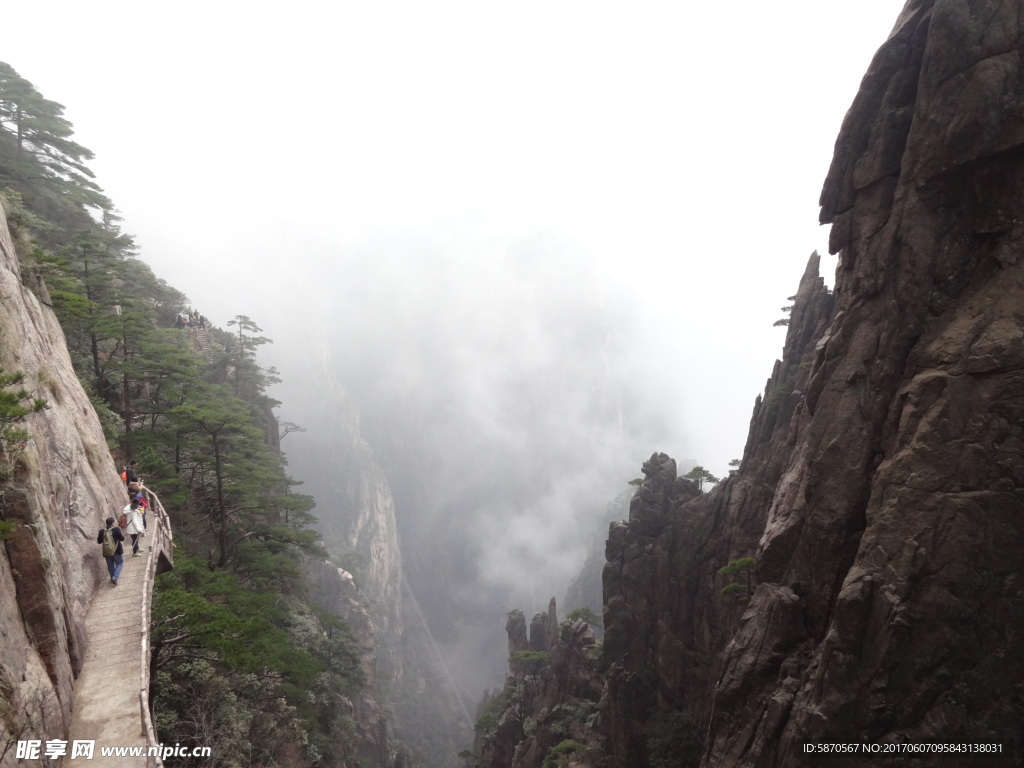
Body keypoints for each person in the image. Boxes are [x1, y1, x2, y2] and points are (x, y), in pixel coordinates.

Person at [97, 517, 125, 585]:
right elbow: (122, 538)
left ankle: (112, 577)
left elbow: (99, 541)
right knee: (119, 563)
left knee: (110, 565)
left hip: (107, 552)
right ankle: (114, 578)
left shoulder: (102, 531)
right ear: (113, 523)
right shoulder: (116, 529)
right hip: (116, 550)